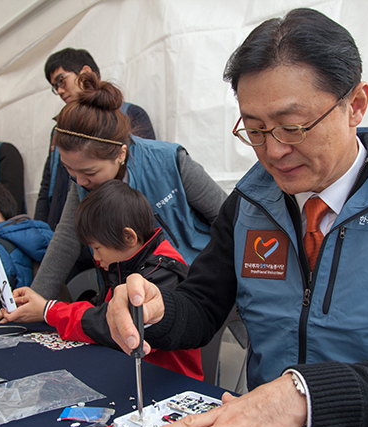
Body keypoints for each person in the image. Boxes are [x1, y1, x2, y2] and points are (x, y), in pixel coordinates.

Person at [106, 8, 368, 427]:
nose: (273, 151)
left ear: (356, 105)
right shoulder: (249, 205)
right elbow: (202, 306)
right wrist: (156, 309)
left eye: (292, 127)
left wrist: (305, 396)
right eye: (254, 130)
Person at [31, 70, 227, 301]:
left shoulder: (169, 161)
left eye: (89, 172)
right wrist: (37, 298)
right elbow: (66, 240)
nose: (80, 181)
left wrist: (212, 274)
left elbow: (226, 219)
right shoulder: (82, 184)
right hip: (135, 294)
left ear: (120, 154)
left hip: (197, 284)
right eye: (69, 170)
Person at [0, 180, 203, 380]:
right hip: (130, 371)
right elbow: (97, 309)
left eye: (97, 248)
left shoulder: (164, 270)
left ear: (128, 237)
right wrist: (41, 307)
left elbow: (112, 322)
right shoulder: (124, 263)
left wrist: (50, 311)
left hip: (167, 382)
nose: (95, 257)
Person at [35, 48, 157, 231]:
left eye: (61, 80)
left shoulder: (130, 115)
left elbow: (144, 174)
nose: (59, 90)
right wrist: (40, 227)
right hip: (66, 228)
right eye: (55, 86)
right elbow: (48, 183)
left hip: (109, 228)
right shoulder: (58, 129)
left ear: (85, 73)